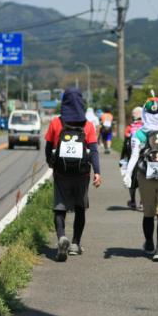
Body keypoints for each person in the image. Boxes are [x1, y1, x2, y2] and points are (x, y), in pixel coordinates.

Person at [45, 88, 102, 261]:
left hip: (61, 173)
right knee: (79, 207)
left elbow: (48, 147)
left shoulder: (56, 123)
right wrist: (97, 172)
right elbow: (93, 151)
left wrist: (51, 163)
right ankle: (76, 244)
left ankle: (62, 236)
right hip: (82, 173)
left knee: (59, 207)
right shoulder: (88, 125)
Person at [123, 97, 158, 262]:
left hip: (145, 176)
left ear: (145, 113)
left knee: (148, 213)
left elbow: (134, 156)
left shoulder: (140, 133)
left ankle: (149, 243)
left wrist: (128, 174)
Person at [120, 106, 144, 210]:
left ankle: (133, 201)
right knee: (143, 180)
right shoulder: (146, 127)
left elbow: (126, 144)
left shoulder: (130, 127)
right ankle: (143, 202)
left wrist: (122, 158)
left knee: (131, 180)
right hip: (144, 157)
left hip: (132, 157)